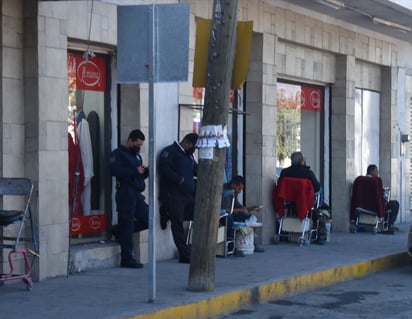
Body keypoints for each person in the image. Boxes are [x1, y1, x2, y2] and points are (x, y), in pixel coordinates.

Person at [109, 129, 149, 269]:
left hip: (136, 193)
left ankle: (118, 230)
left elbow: (137, 175)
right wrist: (134, 171)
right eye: (137, 144)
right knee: (127, 223)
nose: (138, 148)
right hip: (125, 193)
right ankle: (127, 258)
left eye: (141, 146)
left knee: (147, 218)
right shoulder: (118, 154)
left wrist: (144, 172)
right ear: (130, 141)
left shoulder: (137, 156)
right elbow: (114, 171)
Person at [158, 133, 199, 264]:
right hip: (174, 194)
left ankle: (167, 212)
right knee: (178, 224)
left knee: (197, 215)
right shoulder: (170, 152)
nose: (194, 149)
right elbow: (163, 167)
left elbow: (195, 170)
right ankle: (184, 253)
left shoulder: (189, 156)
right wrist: (178, 179)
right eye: (193, 146)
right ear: (186, 142)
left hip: (188, 194)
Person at [278, 151, 328, 244]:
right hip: (305, 201)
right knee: (320, 189)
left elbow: (280, 186)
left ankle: (283, 232)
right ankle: (321, 234)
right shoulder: (308, 173)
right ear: (302, 161)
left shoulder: (284, 172)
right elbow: (316, 187)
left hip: (289, 201)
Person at [221, 175, 264, 256]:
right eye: (239, 188)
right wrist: (240, 210)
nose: (239, 191)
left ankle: (251, 242)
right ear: (233, 185)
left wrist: (251, 208)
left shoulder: (234, 192)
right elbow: (223, 209)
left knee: (248, 216)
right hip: (224, 215)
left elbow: (238, 206)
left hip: (232, 213)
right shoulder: (225, 191)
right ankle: (232, 246)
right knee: (229, 217)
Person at [366, 164, 399, 232]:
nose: (378, 172)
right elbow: (380, 195)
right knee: (395, 204)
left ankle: (387, 224)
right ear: (371, 171)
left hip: (365, 205)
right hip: (376, 205)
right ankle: (389, 225)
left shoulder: (362, 180)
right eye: (376, 170)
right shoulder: (376, 180)